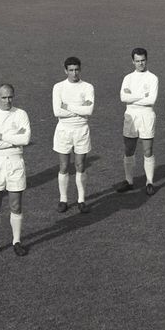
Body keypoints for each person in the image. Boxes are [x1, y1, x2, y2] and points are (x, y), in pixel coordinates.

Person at [0, 84, 31, 257]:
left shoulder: (21, 113)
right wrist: (14, 138)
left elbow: (25, 138)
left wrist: (1, 136)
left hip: (16, 162)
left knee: (16, 205)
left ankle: (16, 241)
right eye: (3, 97)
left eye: (10, 97)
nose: (7, 100)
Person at [52, 56, 94, 213]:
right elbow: (57, 111)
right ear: (65, 71)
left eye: (76, 70)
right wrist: (79, 108)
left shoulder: (88, 87)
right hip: (64, 131)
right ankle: (63, 199)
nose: (74, 73)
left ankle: (81, 199)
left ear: (80, 69)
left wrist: (67, 106)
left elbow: (89, 110)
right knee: (63, 166)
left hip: (81, 130)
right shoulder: (58, 87)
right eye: (71, 70)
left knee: (80, 165)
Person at [117, 47, 158, 196]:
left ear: (146, 60)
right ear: (132, 61)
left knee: (147, 150)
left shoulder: (153, 78)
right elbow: (123, 98)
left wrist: (133, 96)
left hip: (147, 116)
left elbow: (152, 99)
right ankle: (129, 181)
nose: (140, 64)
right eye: (137, 61)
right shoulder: (128, 78)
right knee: (129, 149)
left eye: (143, 61)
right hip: (131, 116)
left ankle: (149, 182)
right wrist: (142, 96)